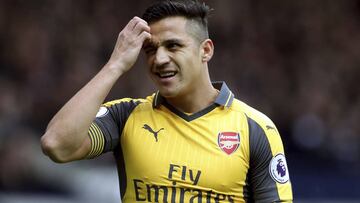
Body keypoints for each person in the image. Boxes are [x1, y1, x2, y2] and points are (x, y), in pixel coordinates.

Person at [41, 0, 293, 202]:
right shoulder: (126, 117)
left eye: (173, 46)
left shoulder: (255, 128)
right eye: (150, 49)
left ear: (205, 50)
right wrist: (115, 65)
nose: (159, 59)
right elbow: (57, 145)